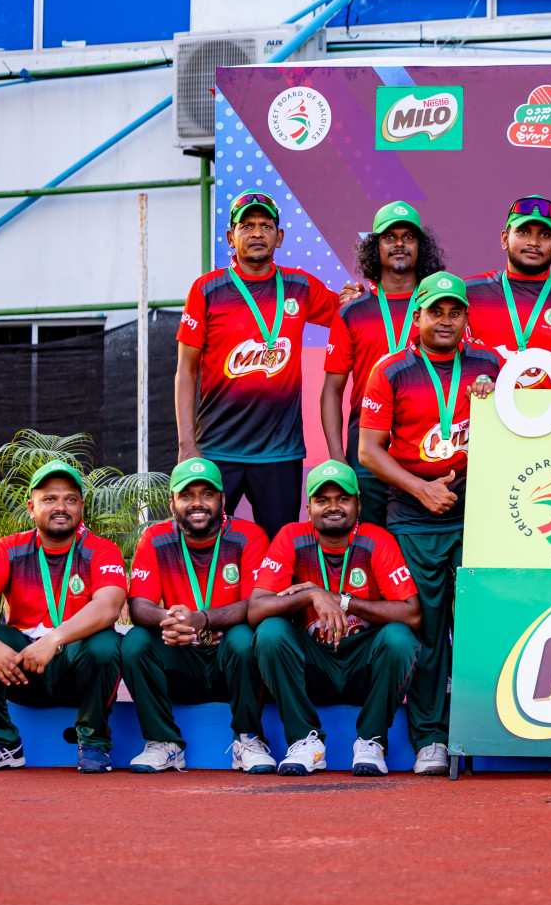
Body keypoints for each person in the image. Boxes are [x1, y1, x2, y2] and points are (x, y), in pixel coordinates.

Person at [358, 272, 500, 776]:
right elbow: (368, 451)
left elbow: (516, 431)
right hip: (414, 518)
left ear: (466, 318)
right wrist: (422, 488)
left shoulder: (489, 364)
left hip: (476, 515)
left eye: (454, 311)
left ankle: (489, 731)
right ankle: (431, 740)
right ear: (416, 317)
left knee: (482, 628)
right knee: (428, 634)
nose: (445, 321)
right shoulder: (391, 370)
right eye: (435, 311)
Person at [176, 189, 342, 536]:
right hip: (217, 449)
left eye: (266, 226)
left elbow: (346, 315)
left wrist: (359, 296)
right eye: (246, 225)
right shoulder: (207, 290)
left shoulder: (300, 285)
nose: (256, 234)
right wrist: (187, 444)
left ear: (279, 237)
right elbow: (186, 371)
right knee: (204, 542)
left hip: (280, 452)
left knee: (281, 548)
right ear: (230, 237)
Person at [0, 460, 127, 773]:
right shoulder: (8, 549)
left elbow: (109, 606)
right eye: (49, 499)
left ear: (81, 507)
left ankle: (94, 742)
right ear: (31, 508)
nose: (61, 507)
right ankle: (2, 743)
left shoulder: (101, 549)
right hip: (21, 672)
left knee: (105, 642)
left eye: (70, 499)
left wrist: (55, 639)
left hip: (75, 670)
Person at [249, 462, 422, 777]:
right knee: (270, 631)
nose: (332, 507)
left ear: (358, 503)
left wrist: (343, 601)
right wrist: (311, 594)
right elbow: (255, 610)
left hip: (362, 664)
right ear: (309, 507)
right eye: (322, 500)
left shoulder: (376, 539)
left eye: (342, 499)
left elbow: (411, 613)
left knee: (399, 638)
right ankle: (305, 742)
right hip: (312, 665)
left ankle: (372, 740)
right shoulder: (291, 537)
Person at [122, 458, 274, 774]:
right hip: (181, 662)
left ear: (222, 498)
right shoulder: (155, 537)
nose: (197, 503)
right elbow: (139, 607)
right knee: (136, 641)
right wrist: (172, 620)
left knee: (245, 637)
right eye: (187, 495)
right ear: (172, 502)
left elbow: (255, 605)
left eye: (207, 494)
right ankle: (163, 743)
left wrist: (200, 619)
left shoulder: (249, 536)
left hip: (230, 665)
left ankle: (248, 739)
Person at [322, 200, 446, 527]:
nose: (399, 244)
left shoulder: (442, 310)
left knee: (421, 549)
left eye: (408, 237)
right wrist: (338, 459)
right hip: (367, 452)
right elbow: (331, 390)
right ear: (374, 247)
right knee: (371, 550)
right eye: (389, 238)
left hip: (427, 449)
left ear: (422, 246)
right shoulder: (352, 312)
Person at [464, 195, 551, 387]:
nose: (534, 242)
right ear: (505, 239)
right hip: (485, 415)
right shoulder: (470, 293)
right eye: (523, 232)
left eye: (545, 235)